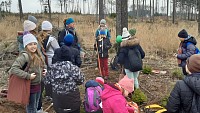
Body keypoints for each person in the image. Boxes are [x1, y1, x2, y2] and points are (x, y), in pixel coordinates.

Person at [45, 35, 84, 113]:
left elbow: (47, 82)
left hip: (58, 100)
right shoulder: (73, 68)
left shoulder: (52, 69)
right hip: (73, 99)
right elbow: (81, 80)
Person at [9, 34, 46, 113]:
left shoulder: (38, 55)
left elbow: (42, 65)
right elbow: (14, 69)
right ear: (26, 46)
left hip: (38, 85)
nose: (33, 46)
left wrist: (44, 70)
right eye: (30, 44)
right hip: (30, 87)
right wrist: (28, 76)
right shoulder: (25, 56)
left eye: (35, 44)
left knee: (35, 106)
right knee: (31, 108)